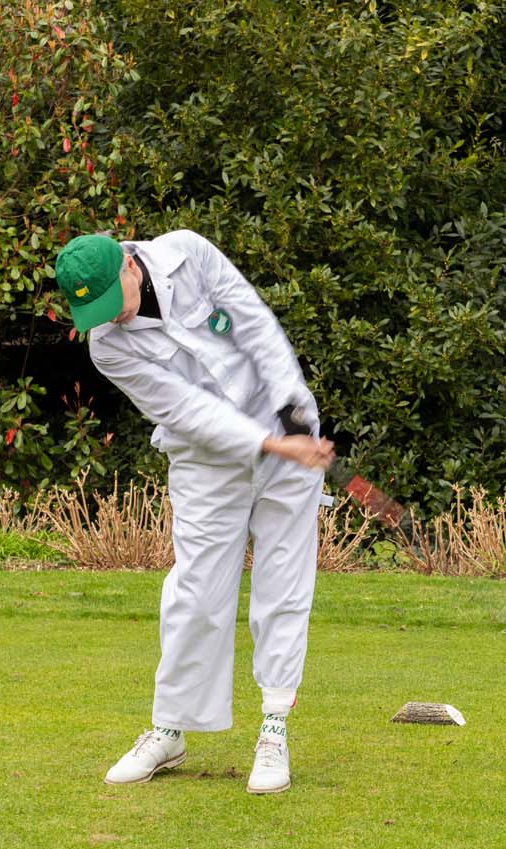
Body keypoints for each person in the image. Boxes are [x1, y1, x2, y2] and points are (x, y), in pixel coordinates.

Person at [53, 230, 333, 795]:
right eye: (96, 312)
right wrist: (268, 444)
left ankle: (273, 729)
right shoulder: (106, 345)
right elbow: (185, 409)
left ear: (129, 265)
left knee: (283, 584)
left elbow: (254, 324)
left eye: (112, 301)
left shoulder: (188, 252)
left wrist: (292, 410)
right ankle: (169, 730)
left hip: (285, 427)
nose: (112, 318)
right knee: (196, 591)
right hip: (204, 457)